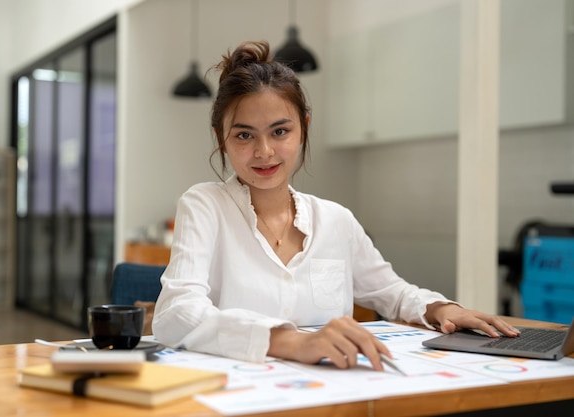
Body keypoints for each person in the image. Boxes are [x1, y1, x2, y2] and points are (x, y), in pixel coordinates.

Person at [151, 40, 519, 370]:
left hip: (334, 394)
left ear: (304, 128)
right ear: (222, 137)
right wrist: (290, 341)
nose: (264, 152)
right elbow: (175, 315)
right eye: (244, 135)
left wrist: (444, 310)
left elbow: (394, 293)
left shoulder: (336, 220)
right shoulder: (204, 205)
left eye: (280, 131)